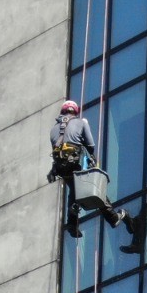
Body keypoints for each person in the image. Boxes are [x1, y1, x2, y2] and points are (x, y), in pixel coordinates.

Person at [48, 100, 130, 239]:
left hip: (62, 168)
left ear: (62, 112)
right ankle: (113, 217)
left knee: (74, 190)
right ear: (75, 111)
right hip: (75, 164)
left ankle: (72, 224)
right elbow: (90, 145)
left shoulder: (53, 130)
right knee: (94, 189)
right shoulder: (80, 123)